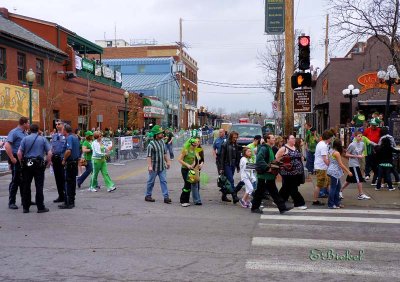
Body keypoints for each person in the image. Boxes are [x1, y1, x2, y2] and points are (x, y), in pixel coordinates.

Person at [251, 134, 291, 214]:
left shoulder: (269, 148)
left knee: (273, 192)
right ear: (268, 140)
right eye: (272, 138)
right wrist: (268, 168)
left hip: (269, 175)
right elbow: (259, 159)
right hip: (264, 175)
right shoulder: (264, 148)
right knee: (261, 192)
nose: (274, 139)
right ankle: (255, 207)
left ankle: (282, 208)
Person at [17, 124, 52, 213]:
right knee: (39, 186)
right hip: (38, 165)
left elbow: (19, 153)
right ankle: (40, 207)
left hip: (27, 164)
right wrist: (48, 163)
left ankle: (26, 207)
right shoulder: (42, 139)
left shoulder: (25, 139)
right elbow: (49, 153)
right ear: (38, 130)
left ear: (30, 130)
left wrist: (21, 163)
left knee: (26, 186)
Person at [276, 135, 307, 210]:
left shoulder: (295, 148)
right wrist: (283, 163)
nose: (294, 140)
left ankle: (278, 200)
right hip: (288, 172)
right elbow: (277, 158)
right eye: (292, 138)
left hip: (297, 172)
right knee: (293, 188)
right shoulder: (284, 148)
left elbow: (301, 158)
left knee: (286, 187)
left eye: (294, 138)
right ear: (288, 140)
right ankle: (299, 203)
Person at [4, 116, 29, 209]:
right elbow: (7, 145)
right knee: (15, 180)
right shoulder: (14, 132)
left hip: (23, 159)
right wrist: (11, 158)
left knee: (24, 180)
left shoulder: (25, 133)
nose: (29, 125)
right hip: (15, 158)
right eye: (28, 123)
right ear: (24, 124)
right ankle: (11, 202)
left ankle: (25, 200)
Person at [340, 131, 371, 200]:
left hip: (358, 163)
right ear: (355, 137)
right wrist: (356, 156)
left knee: (349, 179)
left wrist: (362, 155)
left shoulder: (362, 144)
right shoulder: (352, 145)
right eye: (358, 136)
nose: (360, 137)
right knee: (359, 179)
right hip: (353, 164)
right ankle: (360, 194)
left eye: (361, 136)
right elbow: (346, 154)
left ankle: (340, 190)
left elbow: (362, 152)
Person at [145, 125, 172, 204]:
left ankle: (166, 197)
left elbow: (164, 154)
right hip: (153, 167)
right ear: (156, 135)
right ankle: (148, 195)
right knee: (151, 182)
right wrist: (149, 166)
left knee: (164, 181)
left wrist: (168, 162)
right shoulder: (151, 145)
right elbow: (149, 156)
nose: (162, 134)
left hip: (162, 166)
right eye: (160, 133)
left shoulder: (162, 142)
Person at [59, 124, 81, 209]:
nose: (61, 131)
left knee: (68, 182)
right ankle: (72, 201)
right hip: (74, 162)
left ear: (65, 131)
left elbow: (68, 150)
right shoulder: (75, 137)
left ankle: (68, 202)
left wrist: (64, 159)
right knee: (72, 182)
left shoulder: (69, 138)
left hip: (70, 163)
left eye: (62, 129)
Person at [326, 140, 352, 209]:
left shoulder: (330, 151)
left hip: (331, 170)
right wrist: (348, 171)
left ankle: (336, 203)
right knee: (333, 188)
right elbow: (341, 164)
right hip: (335, 172)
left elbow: (329, 161)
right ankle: (331, 204)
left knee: (337, 187)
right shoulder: (336, 153)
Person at [178, 138, 203, 207]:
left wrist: (196, 164)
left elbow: (197, 159)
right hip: (185, 170)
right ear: (190, 144)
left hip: (192, 170)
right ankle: (183, 200)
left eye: (196, 145)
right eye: (194, 145)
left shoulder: (196, 151)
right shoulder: (185, 150)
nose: (195, 146)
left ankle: (186, 200)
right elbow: (179, 159)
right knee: (187, 184)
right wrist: (187, 165)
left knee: (189, 185)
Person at [218, 131, 241, 204]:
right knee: (231, 180)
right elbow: (221, 157)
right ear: (230, 137)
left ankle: (224, 195)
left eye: (236, 137)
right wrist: (221, 168)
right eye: (234, 137)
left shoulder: (236, 145)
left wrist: (238, 166)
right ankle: (234, 196)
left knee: (227, 181)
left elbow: (237, 156)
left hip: (233, 164)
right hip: (226, 164)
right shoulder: (225, 144)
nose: (235, 139)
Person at [313, 130, 334, 206]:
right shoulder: (324, 146)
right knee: (319, 184)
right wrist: (331, 165)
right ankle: (315, 200)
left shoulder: (321, 143)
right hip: (321, 167)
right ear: (328, 138)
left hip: (321, 167)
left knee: (328, 183)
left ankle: (332, 198)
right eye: (331, 137)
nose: (332, 139)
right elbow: (325, 159)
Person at [50, 120, 66, 203]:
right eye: (56, 124)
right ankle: (61, 195)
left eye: (59, 124)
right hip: (55, 158)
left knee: (63, 178)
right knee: (57, 178)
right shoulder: (54, 135)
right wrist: (51, 159)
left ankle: (66, 195)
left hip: (62, 158)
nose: (57, 125)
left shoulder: (65, 135)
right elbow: (52, 147)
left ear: (63, 125)